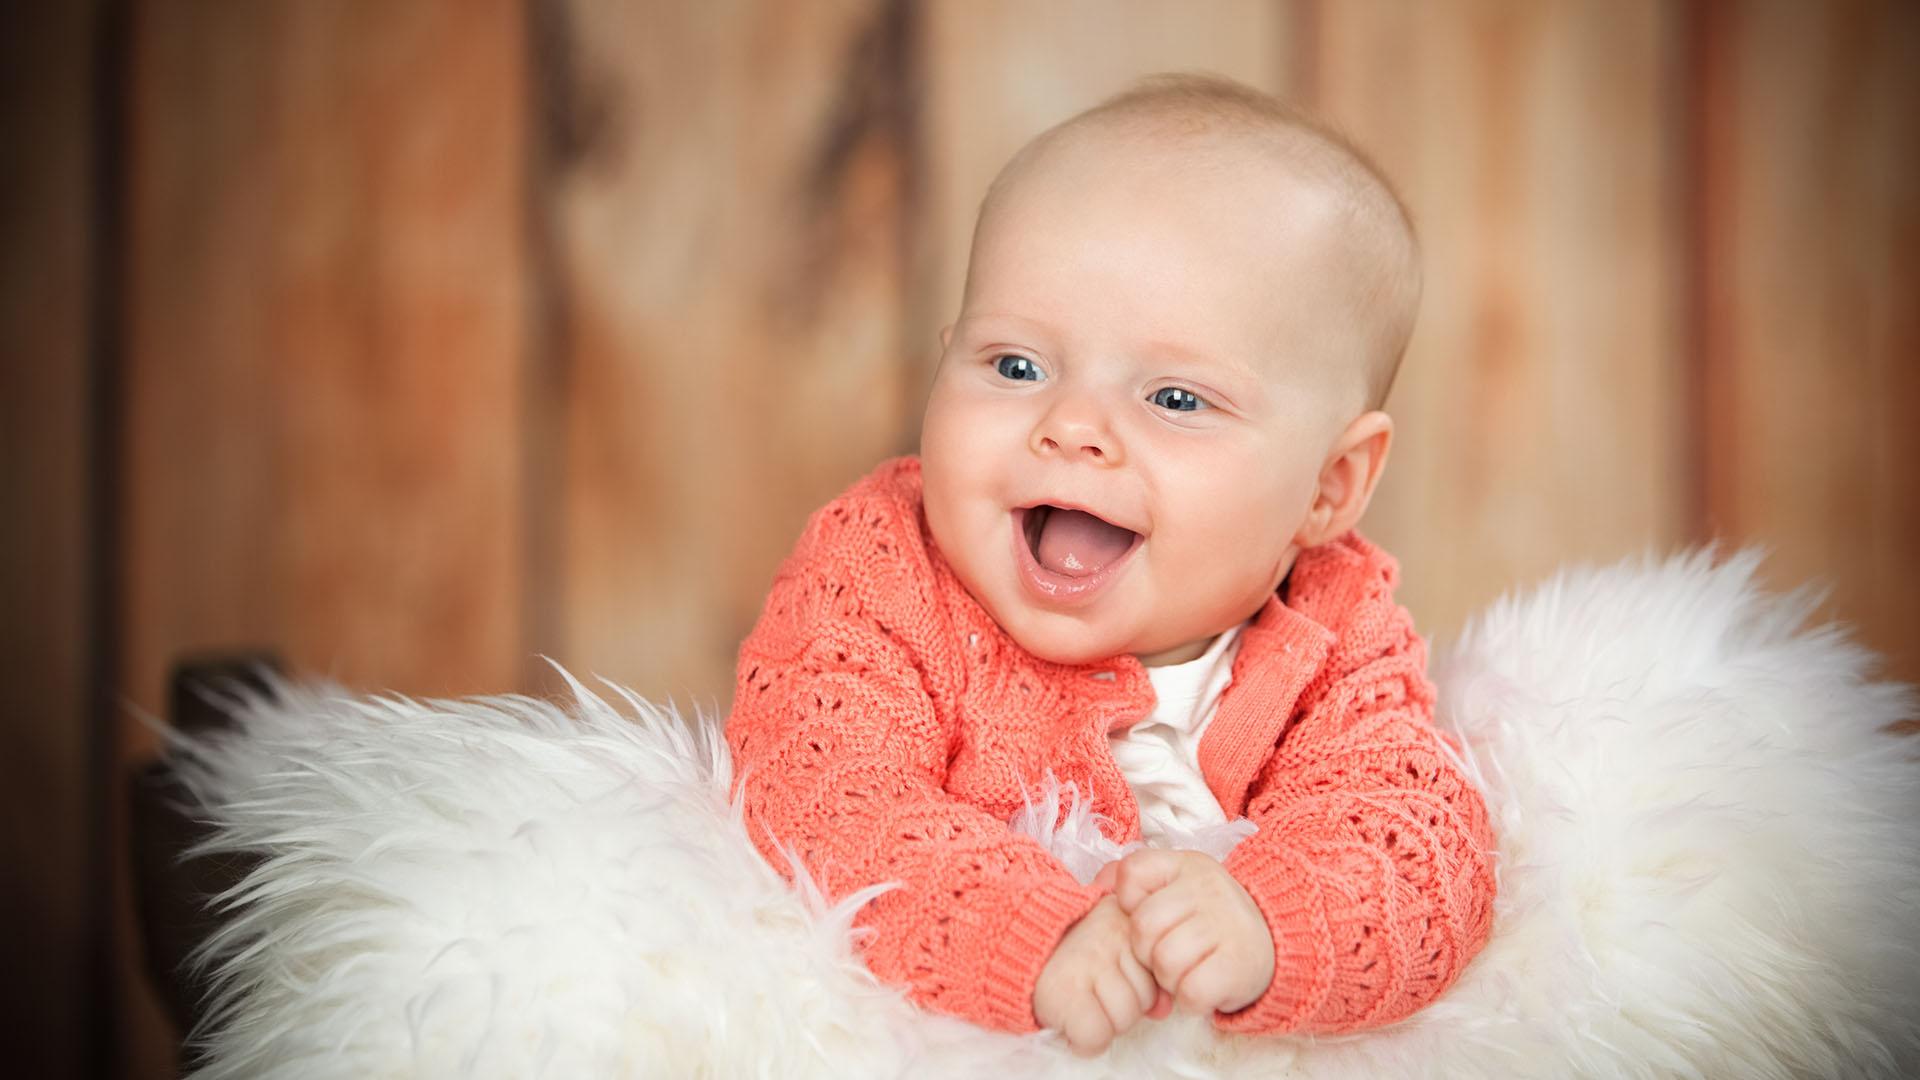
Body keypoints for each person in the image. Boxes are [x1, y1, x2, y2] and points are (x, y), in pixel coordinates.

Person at [724, 73, 1495, 1057]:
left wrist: (1270, 923)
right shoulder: (883, 568)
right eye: (1015, 367)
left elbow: (1421, 842)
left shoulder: (1336, 631)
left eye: (1175, 398)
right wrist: (1025, 930)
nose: (1074, 427)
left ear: (1328, 488)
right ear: (945, 355)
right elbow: (819, 781)